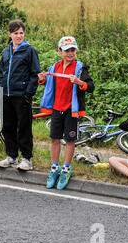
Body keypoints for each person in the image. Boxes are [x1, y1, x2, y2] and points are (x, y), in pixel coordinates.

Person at [38, 36, 95, 190]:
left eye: (72, 50)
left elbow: (90, 87)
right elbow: (48, 84)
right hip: (57, 108)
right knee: (54, 139)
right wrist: (42, 79)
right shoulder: (54, 67)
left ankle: (66, 169)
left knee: (70, 140)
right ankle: (54, 168)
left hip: (72, 110)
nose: (70, 53)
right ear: (60, 51)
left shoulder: (81, 68)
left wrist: (79, 82)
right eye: (66, 50)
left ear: (76, 50)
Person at [0, 20, 40, 171]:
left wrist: (28, 94)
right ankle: (11, 157)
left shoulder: (29, 51)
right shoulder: (6, 51)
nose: (19, 36)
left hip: (21, 95)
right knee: (8, 126)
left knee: (24, 128)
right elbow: (2, 71)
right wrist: (1, 88)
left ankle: (26, 159)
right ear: (10, 34)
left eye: (21, 33)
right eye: (15, 33)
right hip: (6, 94)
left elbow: (35, 74)